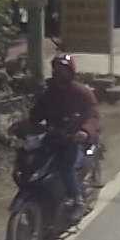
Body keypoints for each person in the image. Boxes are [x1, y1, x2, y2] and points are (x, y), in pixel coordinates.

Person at [26, 54, 100, 210]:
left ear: (70, 71)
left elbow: (93, 115)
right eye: (56, 69)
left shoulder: (82, 93)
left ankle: (77, 200)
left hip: (74, 140)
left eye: (63, 70)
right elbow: (36, 114)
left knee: (65, 166)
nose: (59, 73)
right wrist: (22, 126)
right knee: (34, 162)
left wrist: (84, 131)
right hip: (54, 137)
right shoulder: (49, 93)